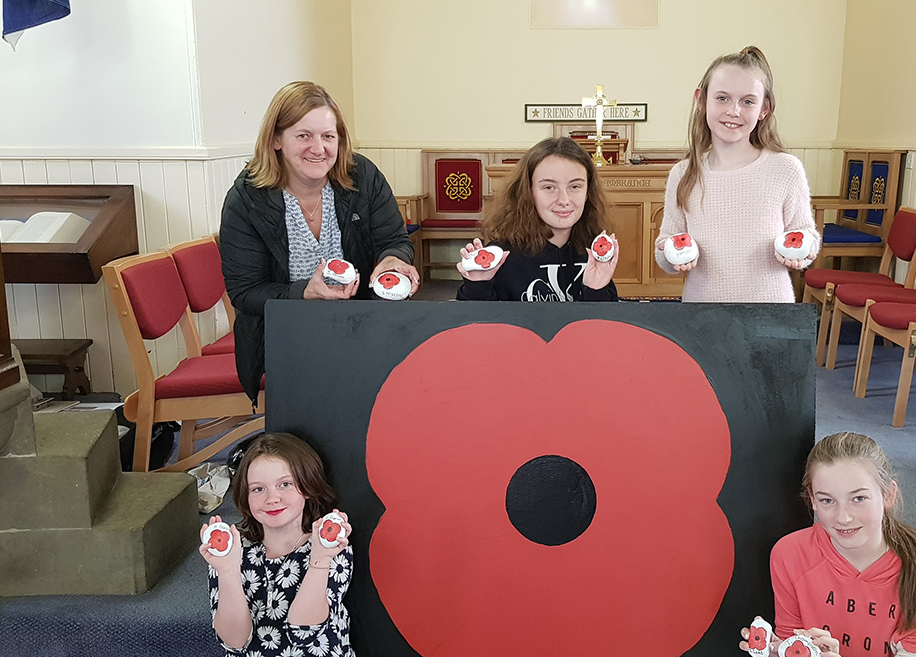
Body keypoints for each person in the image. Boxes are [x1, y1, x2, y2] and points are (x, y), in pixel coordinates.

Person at [219, 81, 419, 404]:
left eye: (328, 136)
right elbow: (245, 293)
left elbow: (394, 240)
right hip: (285, 342)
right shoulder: (246, 200)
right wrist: (304, 293)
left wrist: (393, 259)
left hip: (363, 328)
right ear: (276, 140)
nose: (318, 148)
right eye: (303, 136)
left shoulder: (363, 177)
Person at [741, 432, 916, 657]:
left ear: (888, 495)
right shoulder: (789, 554)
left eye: (859, 498)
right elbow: (795, 647)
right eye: (827, 501)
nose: (844, 516)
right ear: (812, 501)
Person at [160, 433, 354, 657]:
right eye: (258, 489)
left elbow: (305, 631)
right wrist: (226, 571)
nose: (272, 498)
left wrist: (320, 559)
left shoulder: (330, 547)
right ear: (246, 498)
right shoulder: (235, 548)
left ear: (308, 485)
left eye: (285, 484)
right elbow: (235, 641)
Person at [654, 46, 820, 303]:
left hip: (770, 314)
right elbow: (665, 249)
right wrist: (671, 255)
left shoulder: (786, 169)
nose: (734, 111)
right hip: (701, 315)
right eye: (722, 98)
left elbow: (806, 234)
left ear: (764, 108)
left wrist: (804, 250)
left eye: (748, 101)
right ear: (701, 100)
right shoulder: (682, 174)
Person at [455, 136, 619, 302]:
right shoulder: (504, 256)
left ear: (587, 193)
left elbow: (606, 325)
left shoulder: (593, 251)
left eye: (575, 186)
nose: (564, 200)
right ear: (528, 192)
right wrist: (477, 286)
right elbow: (476, 324)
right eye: (549, 187)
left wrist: (596, 290)